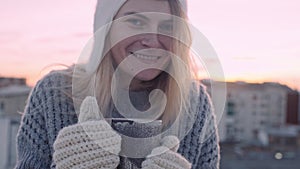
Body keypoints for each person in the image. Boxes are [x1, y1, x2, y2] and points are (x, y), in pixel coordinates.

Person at [15, 0, 220, 168]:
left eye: (168, 26)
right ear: (106, 27)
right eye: (136, 22)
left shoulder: (195, 103)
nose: (153, 41)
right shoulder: (54, 94)